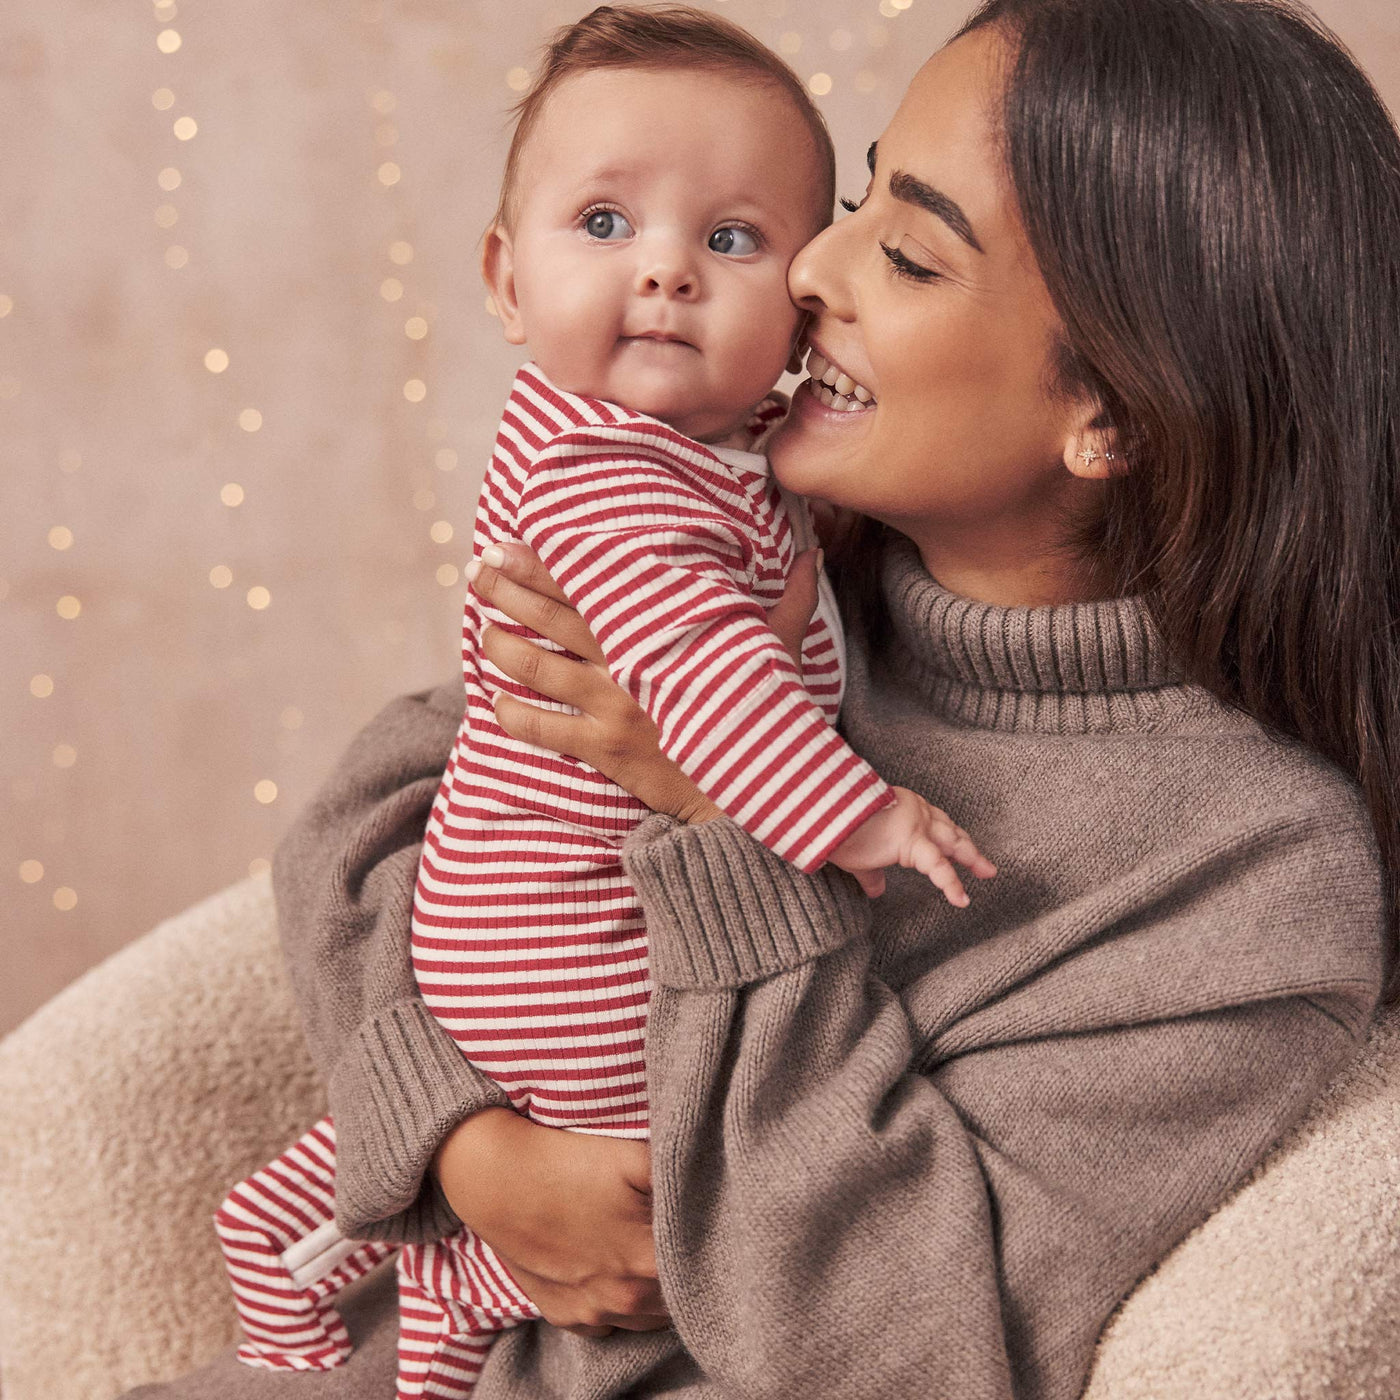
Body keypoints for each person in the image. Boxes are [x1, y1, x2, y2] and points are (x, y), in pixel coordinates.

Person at [128, 0, 1400, 1395]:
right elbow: (367, 819)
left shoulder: (1255, 876)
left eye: (906, 252)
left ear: (1114, 417)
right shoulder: (763, 554)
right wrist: (462, 1145)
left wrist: (724, 819)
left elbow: (894, 1339)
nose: (808, 268)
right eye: (853, 199)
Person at [213, 8, 995, 1398]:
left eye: (733, 241)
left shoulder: (725, 454)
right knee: (624, 1164)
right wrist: (854, 817)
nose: (666, 277)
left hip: (532, 955)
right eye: (604, 223)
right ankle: (396, 1275)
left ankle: (415, 1295)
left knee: (575, 1206)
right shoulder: (608, 478)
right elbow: (699, 674)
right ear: (504, 280)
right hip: (550, 949)